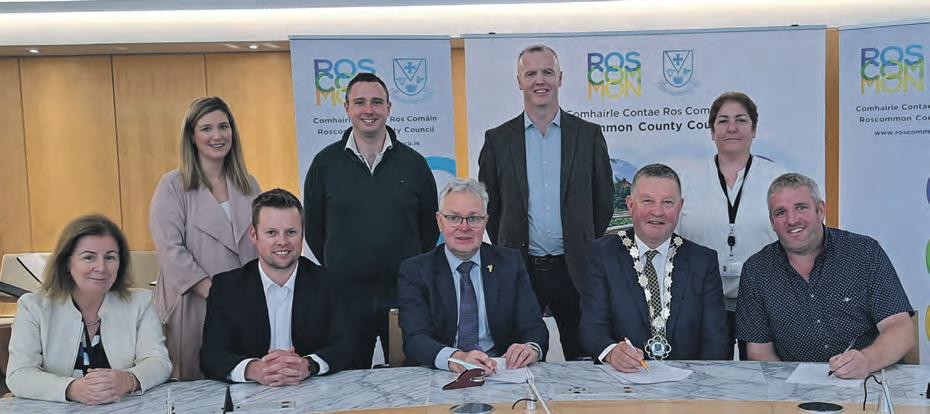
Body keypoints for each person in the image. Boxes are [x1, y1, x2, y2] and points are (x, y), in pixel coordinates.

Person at [478, 44, 614, 361]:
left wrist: (582, 240)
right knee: (518, 358)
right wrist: (509, 243)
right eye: (531, 74)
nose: (540, 81)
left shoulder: (589, 136)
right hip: (520, 267)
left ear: (560, 78)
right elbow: (490, 207)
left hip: (576, 268)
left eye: (547, 72)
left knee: (585, 359)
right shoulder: (498, 140)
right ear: (519, 81)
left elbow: (603, 201)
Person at [304, 72, 439, 368]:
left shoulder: (414, 164)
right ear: (347, 108)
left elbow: (428, 230)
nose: (369, 110)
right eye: (360, 102)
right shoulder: (324, 165)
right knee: (347, 378)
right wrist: (341, 264)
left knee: (409, 378)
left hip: (403, 295)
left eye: (377, 102)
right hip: (345, 297)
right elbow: (313, 229)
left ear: (389, 108)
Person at [736, 173, 914, 378]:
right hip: (795, 389)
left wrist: (867, 360)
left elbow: (900, 329)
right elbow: (759, 353)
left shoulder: (864, 252)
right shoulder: (756, 270)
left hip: (870, 380)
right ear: (772, 222)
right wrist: (791, 390)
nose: (792, 220)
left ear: (821, 210)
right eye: (781, 212)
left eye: (801, 207)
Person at [150, 96, 261, 380]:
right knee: (196, 388)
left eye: (223, 126)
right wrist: (217, 296)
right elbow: (170, 251)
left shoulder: (249, 184)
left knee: (241, 381)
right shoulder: (173, 186)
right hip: (193, 305)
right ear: (192, 136)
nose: (217, 136)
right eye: (206, 128)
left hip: (242, 306)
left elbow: (261, 241)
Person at [6, 215, 171, 404]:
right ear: (67, 262)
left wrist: (129, 380)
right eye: (88, 257)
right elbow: (19, 374)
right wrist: (71, 389)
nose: (101, 267)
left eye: (110, 257)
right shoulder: (32, 307)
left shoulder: (141, 302)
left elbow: (158, 361)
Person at [580, 164, 729, 372]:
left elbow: (716, 340)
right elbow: (592, 327)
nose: (658, 211)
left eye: (668, 202)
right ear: (630, 205)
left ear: (680, 206)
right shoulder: (601, 256)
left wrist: (698, 382)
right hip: (623, 380)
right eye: (647, 201)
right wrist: (612, 352)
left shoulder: (703, 261)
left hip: (689, 382)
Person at [200, 189, 357, 384]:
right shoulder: (226, 287)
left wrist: (309, 365)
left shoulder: (331, 283)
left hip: (316, 391)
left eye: (291, 232)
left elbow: (346, 346)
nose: (282, 242)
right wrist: (253, 369)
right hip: (250, 395)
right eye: (271, 233)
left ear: (302, 233)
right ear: (254, 235)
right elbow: (211, 356)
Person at [676, 92, 786, 358]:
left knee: (762, 371)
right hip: (701, 299)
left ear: (754, 129)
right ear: (712, 131)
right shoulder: (686, 179)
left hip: (764, 298)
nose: (732, 128)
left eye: (741, 120)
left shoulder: (778, 179)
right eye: (723, 121)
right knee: (708, 372)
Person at [398, 178, 548, 373]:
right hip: (439, 372)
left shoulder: (509, 263)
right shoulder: (416, 270)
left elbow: (534, 327)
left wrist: (530, 348)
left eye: (474, 218)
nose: (464, 227)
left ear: (485, 222)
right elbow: (415, 338)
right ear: (440, 222)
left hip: (499, 370)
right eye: (454, 218)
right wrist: (456, 358)